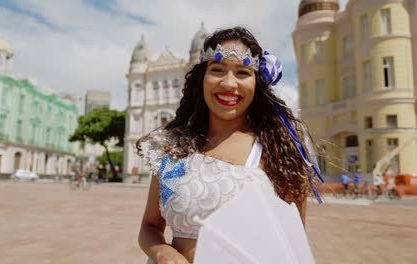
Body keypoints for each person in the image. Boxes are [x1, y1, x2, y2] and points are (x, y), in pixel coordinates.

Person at [136, 27, 323, 264]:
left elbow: (292, 244)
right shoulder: (171, 148)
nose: (229, 83)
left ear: (257, 83)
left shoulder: (278, 153)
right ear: (202, 77)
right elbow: (149, 226)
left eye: (242, 72)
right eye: (217, 70)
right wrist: (163, 252)